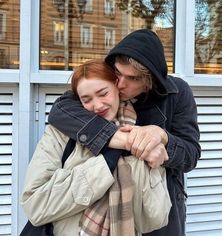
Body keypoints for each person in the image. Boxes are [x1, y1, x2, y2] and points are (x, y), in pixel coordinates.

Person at [48, 29, 201, 236]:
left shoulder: (177, 93)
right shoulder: (105, 81)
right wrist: (124, 139)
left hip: (160, 205)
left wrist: (162, 136)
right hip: (105, 202)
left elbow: (190, 155)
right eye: (118, 73)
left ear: (150, 80)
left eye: (132, 78)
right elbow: (61, 110)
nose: (120, 83)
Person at [21, 59, 171, 236]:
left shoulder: (140, 135)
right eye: (87, 100)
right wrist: (107, 162)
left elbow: (154, 219)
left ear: (117, 87)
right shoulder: (60, 133)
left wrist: (143, 155)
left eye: (103, 93)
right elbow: (35, 206)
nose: (98, 105)